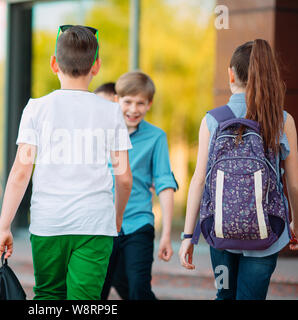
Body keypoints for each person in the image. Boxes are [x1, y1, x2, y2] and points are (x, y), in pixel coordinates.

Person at [0, 25, 133, 300]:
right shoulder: (111, 112)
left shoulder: (36, 108)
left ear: (53, 64)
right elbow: (124, 177)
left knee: (47, 295)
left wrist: (3, 225)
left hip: (49, 223)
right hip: (95, 224)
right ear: (96, 66)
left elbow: (21, 172)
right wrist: (116, 218)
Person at [179, 39, 298, 300]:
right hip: (267, 236)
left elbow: (199, 180)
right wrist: (295, 223)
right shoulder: (282, 119)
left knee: (224, 295)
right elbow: (295, 184)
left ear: (230, 73)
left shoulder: (212, 119)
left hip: (219, 231)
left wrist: (189, 235)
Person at [101, 71, 178, 300]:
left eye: (140, 103)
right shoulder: (101, 134)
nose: (133, 109)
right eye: (128, 102)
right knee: (97, 292)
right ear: (117, 100)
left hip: (138, 224)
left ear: (149, 104)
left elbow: (165, 183)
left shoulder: (156, 137)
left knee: (139, 290)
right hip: (102, 226)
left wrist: (166, 234)